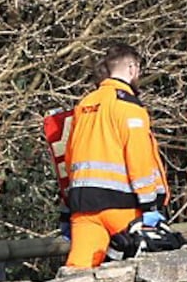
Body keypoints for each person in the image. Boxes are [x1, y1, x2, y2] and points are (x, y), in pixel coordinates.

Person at [63, 44, 169, 269]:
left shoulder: (85, 104)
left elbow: (70, 154)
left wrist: (68, 200)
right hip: (124, 206)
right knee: (149, 266)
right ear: (132, 68)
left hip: (85, 206)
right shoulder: (129, 107)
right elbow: (139, 158)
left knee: (77, 271)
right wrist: (150, 206)